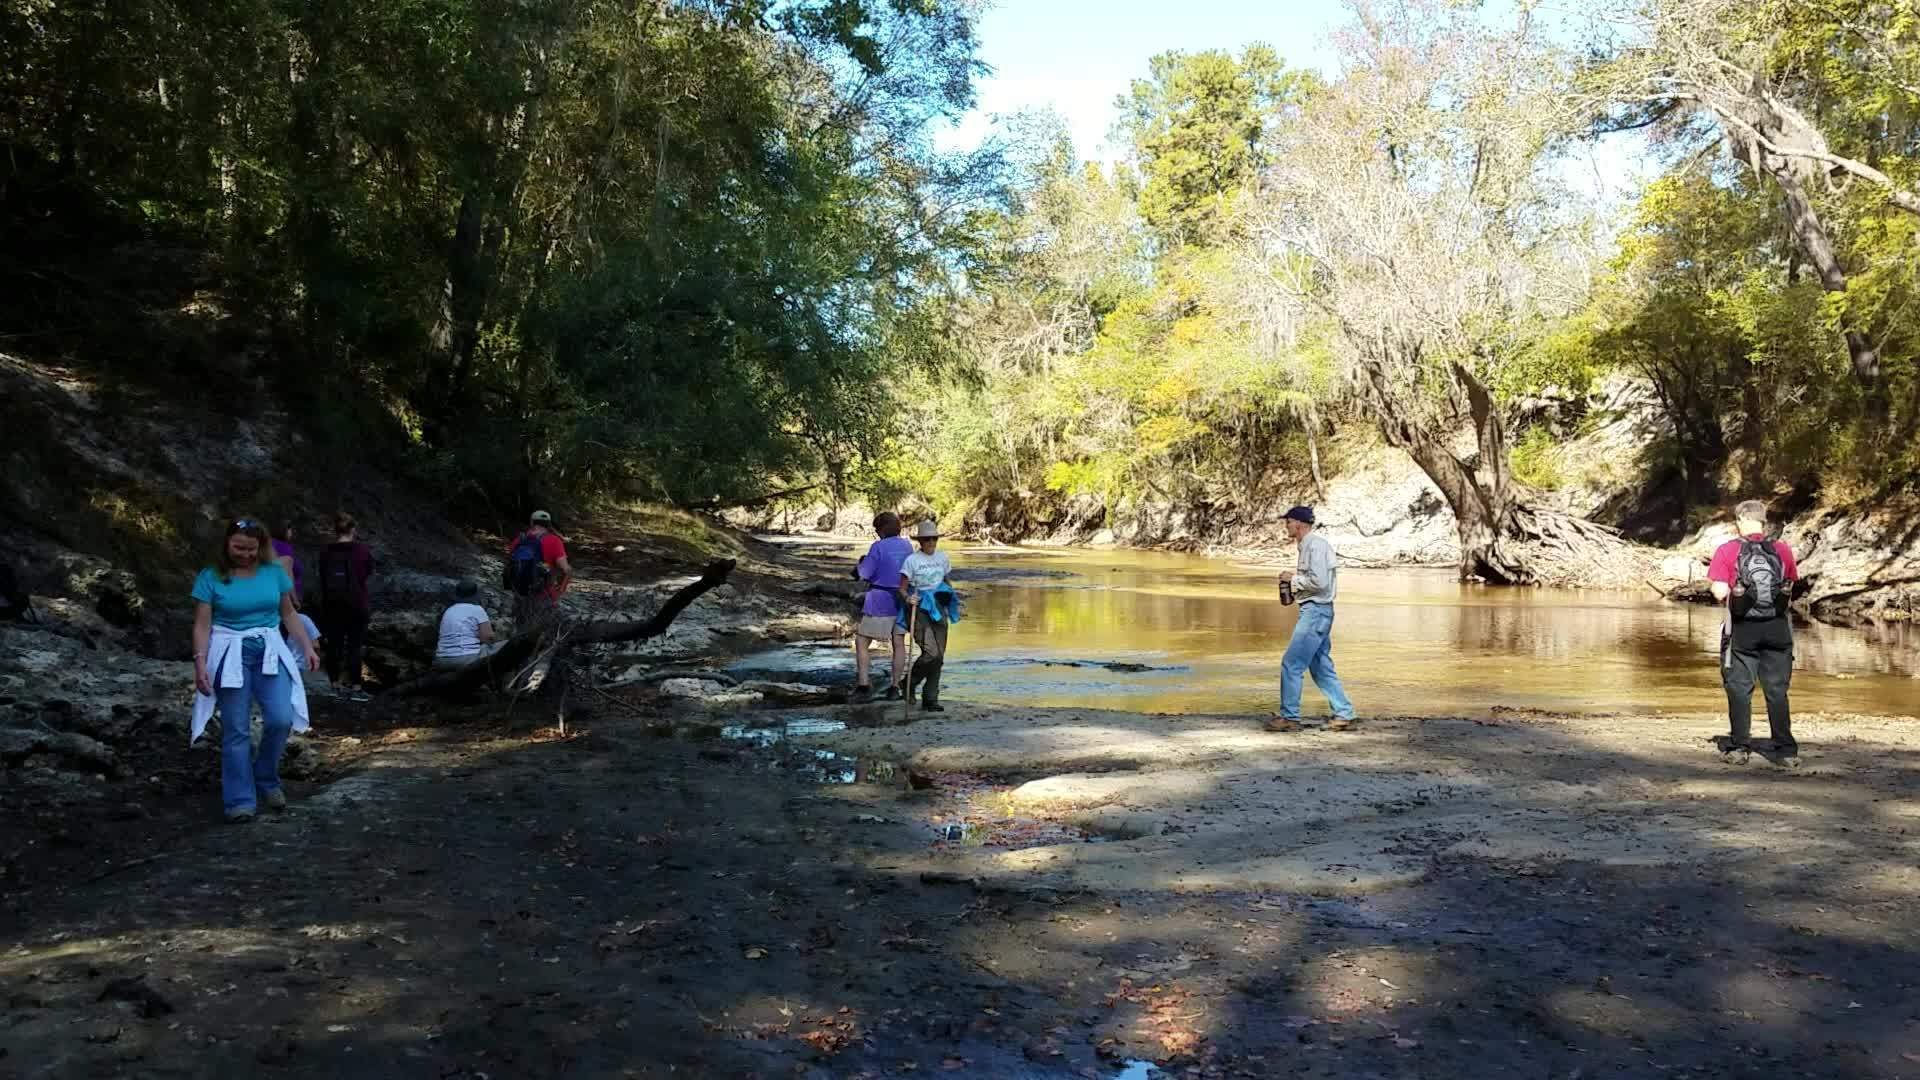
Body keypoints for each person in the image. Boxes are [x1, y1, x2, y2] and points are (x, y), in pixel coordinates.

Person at [190, 517, 319, 823]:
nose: (245, 554)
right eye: (238, 547)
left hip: (270, 651)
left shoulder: (273, 572)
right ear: (226, 544)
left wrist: (307, 646)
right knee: (237, 730)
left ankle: (266, 778)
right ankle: (240, 800)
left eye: (251, 549)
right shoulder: (211, 576)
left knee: (280, 719)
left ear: (261, 547)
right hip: (229, 653)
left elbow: (288, 614)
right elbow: (202, 624)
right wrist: (200, 662)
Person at [1708, 499, 1800, 760]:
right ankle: (1786, 751)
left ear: (1739, 521)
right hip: (1778, 629)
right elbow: (1789, 588)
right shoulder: (1782, 549)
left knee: (1739, 687)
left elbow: (1718, 592)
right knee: (1777, 690)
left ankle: (1740, 747)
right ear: (1763, 520)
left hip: (1742, 629)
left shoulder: (1727, 550)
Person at [1266, 505, 1357, 733]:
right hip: (1319, 610)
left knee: (1292, 663)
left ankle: (1290, 717)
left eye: (1288, 522)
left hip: (1315, 612)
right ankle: (1344, 713)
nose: (1286, 526)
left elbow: (1321, 583)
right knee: (1320, 666)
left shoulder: (1315, 546)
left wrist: (1292, 579)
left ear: (1298, 523)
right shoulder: (1309, 546)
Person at [851, 511, 914, 702]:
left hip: (880, 599)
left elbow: (864, 573)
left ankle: (863, 685)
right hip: (903, 598)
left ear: (882, 530)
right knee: (898, 643)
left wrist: (859, 565)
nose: (877, 534)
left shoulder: (878, 547)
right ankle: (895, 687)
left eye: (877, 530)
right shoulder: (907, 545)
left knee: (862, 641)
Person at [899, 519, 961, 712]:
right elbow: (901, 588)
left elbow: (946, 580)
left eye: (934, 539)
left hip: (939, 605)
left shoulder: (942, 557)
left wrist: (954, 600)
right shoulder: (912, 561)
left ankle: (930, 699)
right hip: (919, 609)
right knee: (931, 652)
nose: (931, 543)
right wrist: (908, 598)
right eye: (927, 540)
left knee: (939, 656)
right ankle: (909, 683)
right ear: (921, 541)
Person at [316, 511, 375, 702]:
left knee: (334, 645)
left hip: (332, 604)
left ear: (335, 530)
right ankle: (356, 687)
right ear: (353, 529)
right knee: (354, 646)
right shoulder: (362, 550)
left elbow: (322, 576)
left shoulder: (325, 552)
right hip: (357, 604)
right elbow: (367, 573)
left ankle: (335, 685)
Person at [505, 510, 572, 628]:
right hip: (544, 594)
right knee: (542, 631)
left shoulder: (519, 540)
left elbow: (511, 563)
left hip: (520, 594)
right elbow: (566, 570)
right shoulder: (554, 541)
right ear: (548, 524)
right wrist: (560, 591)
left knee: (521, 629)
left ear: (532, 522)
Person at [435, 580, 503, 669]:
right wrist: (496, 636)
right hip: (465, 658)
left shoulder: (449, 610)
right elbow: (487, 638)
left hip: (441, 659)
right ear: (475, 595)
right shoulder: (477, 609)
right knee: (507, 645)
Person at [270, 522, 305, 609]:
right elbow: (287, 572)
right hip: (287, 598)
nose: (291, 533)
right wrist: (294, 599)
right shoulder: (283, 546)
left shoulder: (270, 544)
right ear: (284, 531)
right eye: (290, 530)